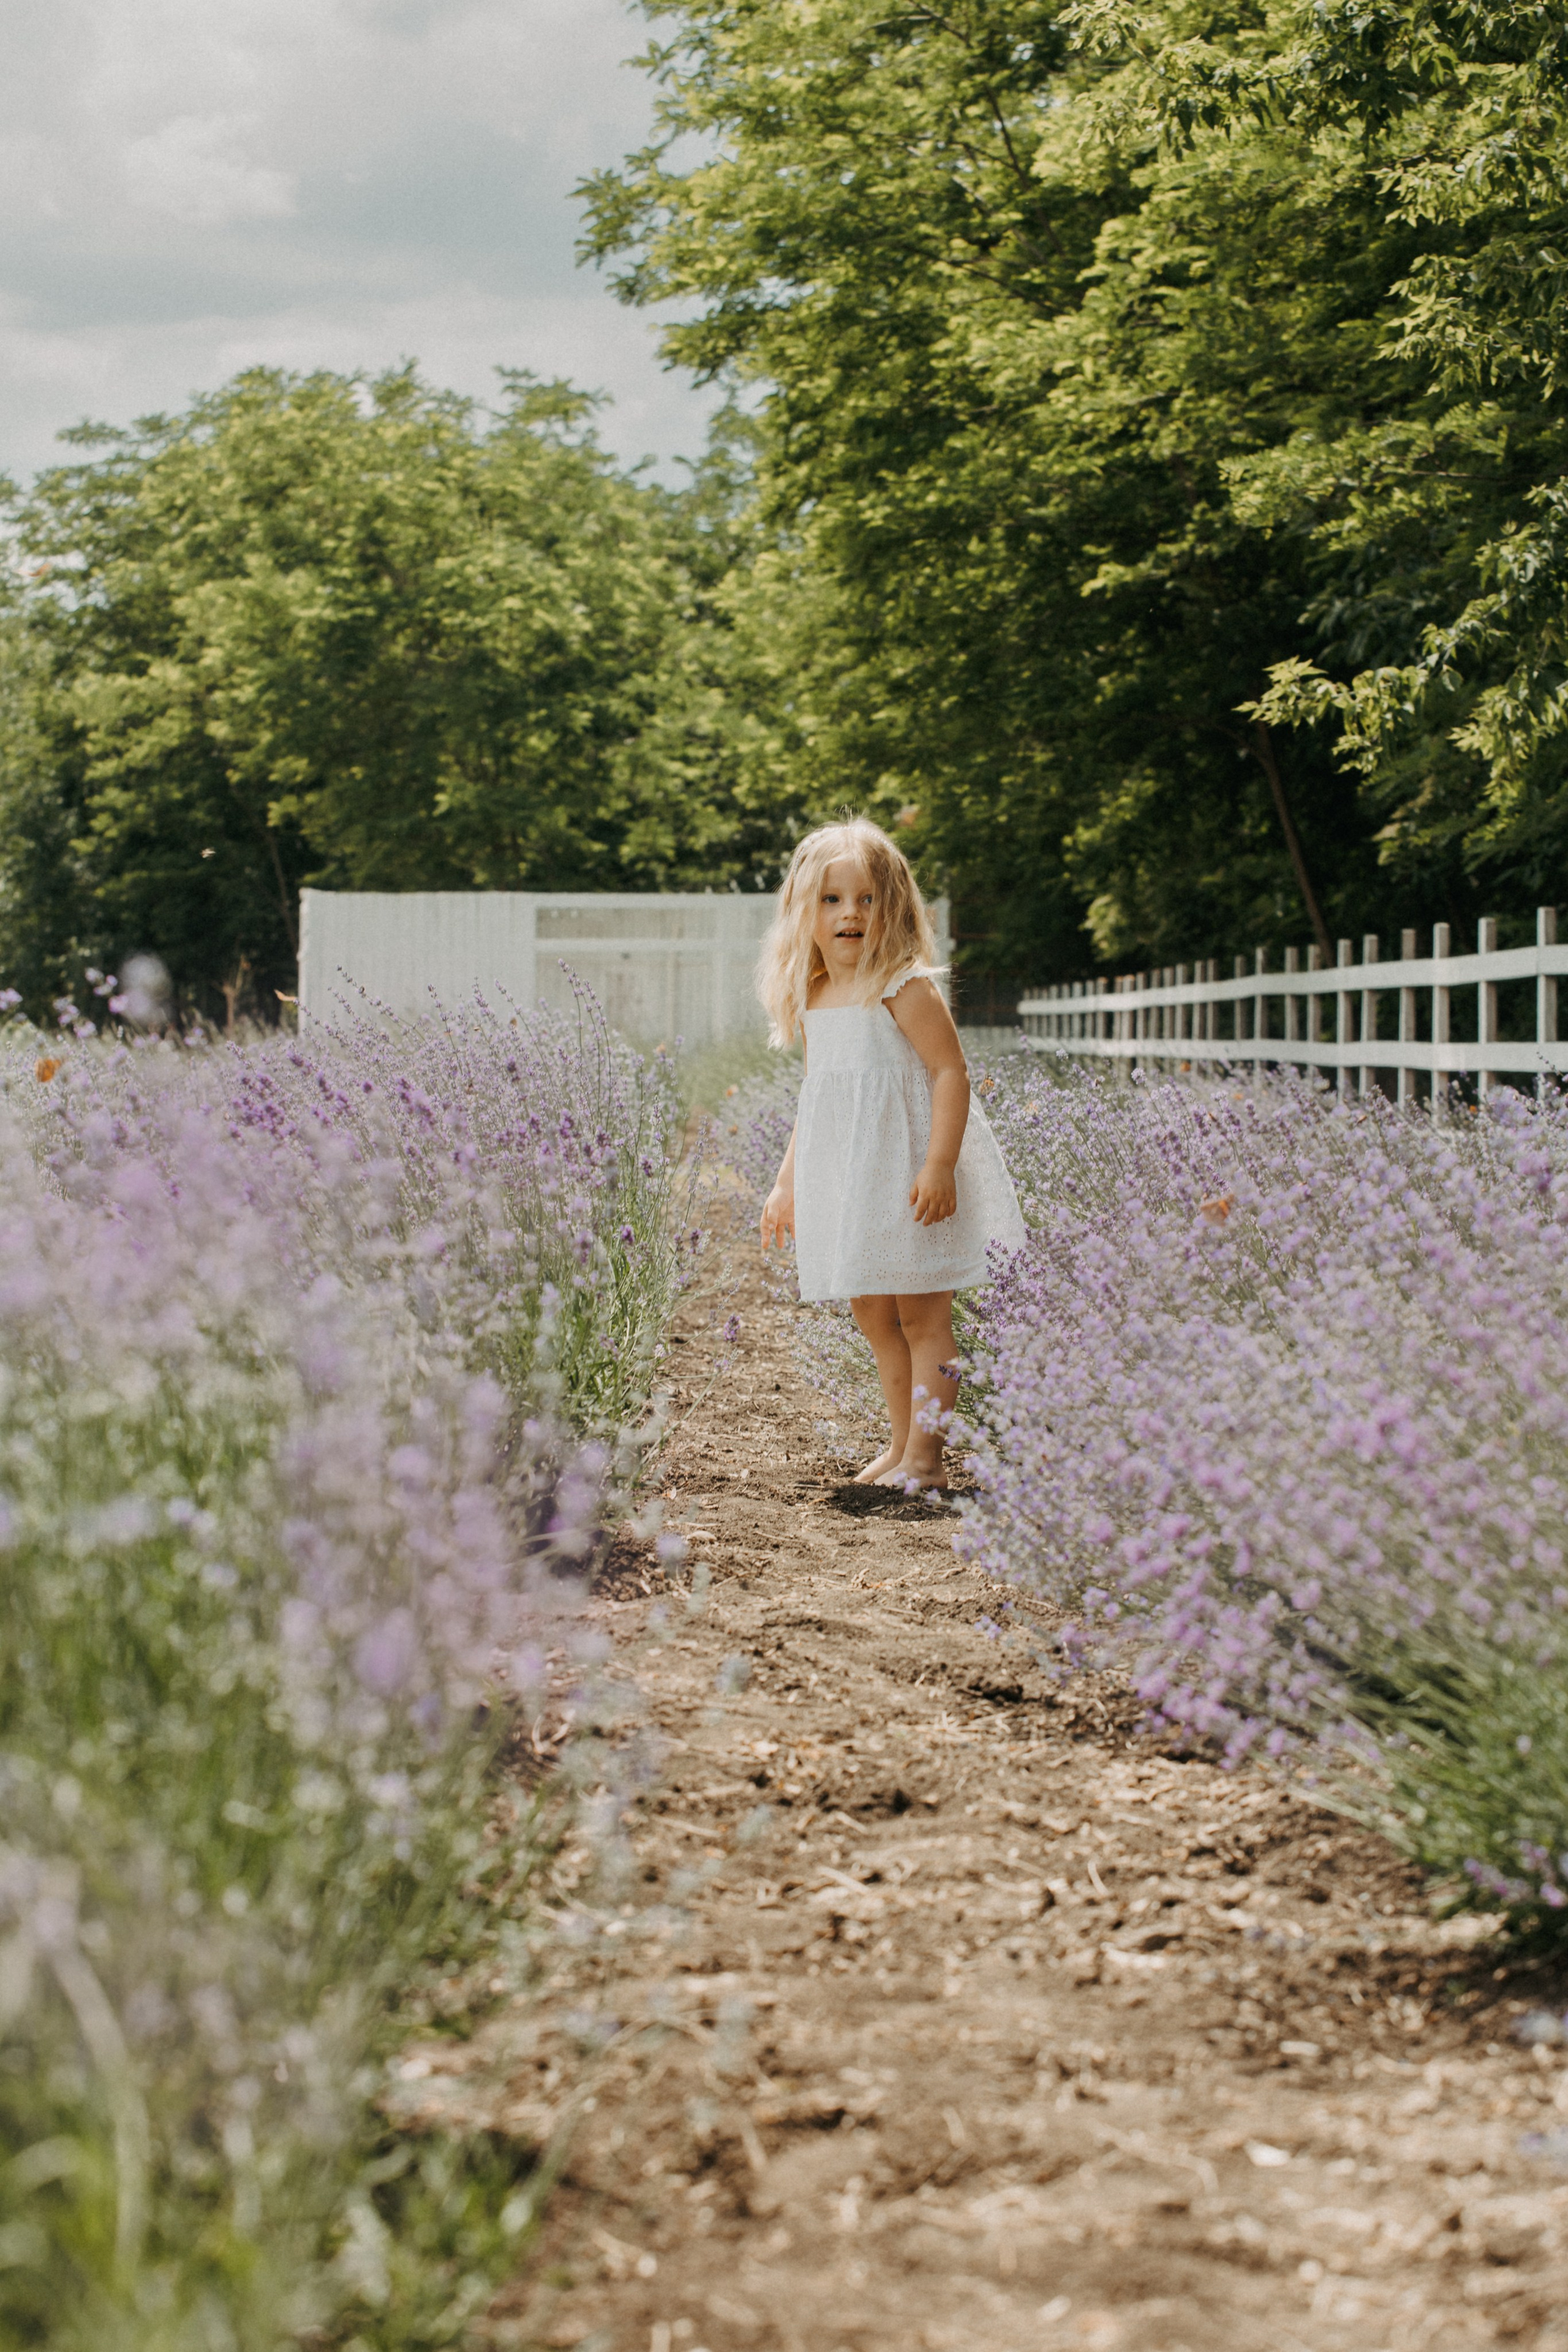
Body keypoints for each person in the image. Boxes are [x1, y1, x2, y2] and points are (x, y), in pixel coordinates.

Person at [758, 817, 1026, 1491]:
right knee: (875, 1315)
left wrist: (938, 1164)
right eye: (831, 899)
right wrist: (786, 1184)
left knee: (921, 1315)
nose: (850, 912)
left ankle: (928, 1461)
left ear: (894, 908)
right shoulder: (816, 995)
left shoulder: (903, 986)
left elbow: (949, 1073)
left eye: (867, 898)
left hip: (908, 1175)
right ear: (805, 913)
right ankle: (900, 1444)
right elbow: (814, 1099)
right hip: (852, 1180)